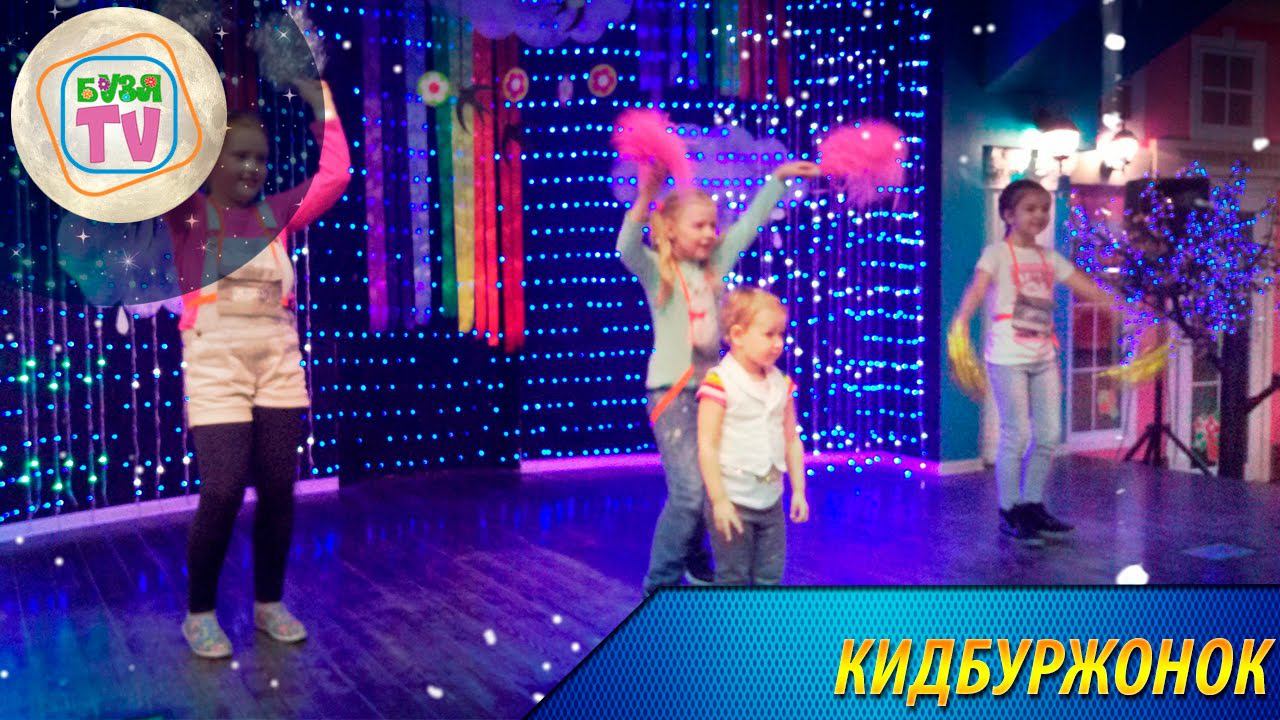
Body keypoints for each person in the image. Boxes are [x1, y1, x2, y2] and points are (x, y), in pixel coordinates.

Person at [169, 78, 350, 658]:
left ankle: (269, 604)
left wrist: (322, 100)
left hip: (277, 366)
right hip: (216, 368)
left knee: (278, 491)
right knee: (222, 491)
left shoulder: (276, 216)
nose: (251, 168)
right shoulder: (189, 215)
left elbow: (335, 176)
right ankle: (199, 614)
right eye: (239, 156)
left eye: (260, 159)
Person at [617, 158, 818, 594]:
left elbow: (747, 226)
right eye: (699, 225)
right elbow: (627, 247)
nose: (710, 233)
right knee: (690, 491)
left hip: (711, 392)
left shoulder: (713, 269)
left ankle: (697, 561)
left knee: (713, 483)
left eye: (713, 225)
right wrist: (646, 196)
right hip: (671, 395)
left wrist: (778, 181)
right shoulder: (658, 272)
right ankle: (660, 583)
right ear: (671, 230)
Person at [949, 179, 1113, 546]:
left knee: (1049, 434)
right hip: (1007, 356)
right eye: (1030, 209)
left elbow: (1088, 288)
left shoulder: (1049, 258)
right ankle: (1010, 511)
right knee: (1016, 433)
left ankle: (1033, 505)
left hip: (1043, 354)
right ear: (1009, 215)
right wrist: (960, 322)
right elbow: (977, 289)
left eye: (1044, 209)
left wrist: (1128, 312)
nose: (1039, 215)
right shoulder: (996, 254)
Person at [696, 287, 809, 585]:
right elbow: (707, 445)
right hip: (733, 500)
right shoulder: (720, 382)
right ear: (738, 335)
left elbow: (791, 439)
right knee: (733, 578)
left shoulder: (781, 383)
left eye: (781, 334)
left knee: (769, 577)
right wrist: (719, 500)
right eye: (769, 334)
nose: (778, 343)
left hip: (770, 501)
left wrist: (798, 490)